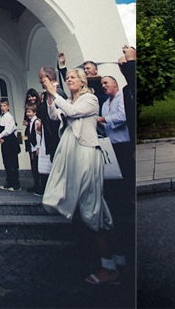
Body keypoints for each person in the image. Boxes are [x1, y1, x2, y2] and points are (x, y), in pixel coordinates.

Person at [42, 68, 121, 285]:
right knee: (98, 206)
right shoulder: (69, 100)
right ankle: (116, 257)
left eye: (73, 77)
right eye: (67, 78)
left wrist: (55, 94)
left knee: (91, 207)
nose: (69, 80)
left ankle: (109, 268)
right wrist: (51, 96)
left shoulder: (91, 99)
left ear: (83, 81)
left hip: (85, 153)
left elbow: (72, 113)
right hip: (73, 153)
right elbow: (53, 115)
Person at [98, 74, 132, 195]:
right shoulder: (105, 103)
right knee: (115, 176)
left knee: (126, 173)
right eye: (102, 84)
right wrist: (98, 124)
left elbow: (123, 116)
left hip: (123, 143)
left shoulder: (122, 97)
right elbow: (105, 126)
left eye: (106, 83)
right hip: (110, 144)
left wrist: (102, 119)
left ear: (115, 84)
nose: (103, 86)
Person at [36, 66, 65, 160]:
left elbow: (59, 118)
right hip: (51, 139)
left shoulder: (58, 93)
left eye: (40, 78)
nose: (39, 81)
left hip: (57, 139)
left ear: (47, 77)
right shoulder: (46, 94)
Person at [0, 99, 20, 191]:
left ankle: (16, 184)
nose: (2, 108)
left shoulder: (9, 117)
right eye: (1, 106)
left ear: (8, 107)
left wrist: (0, 136)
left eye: (4, 106)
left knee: (12, 163)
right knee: (6, 162)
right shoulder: (1, 117)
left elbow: (8, 130)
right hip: (4, 141)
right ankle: (9, 182)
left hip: (10, 142)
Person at [23, 101, 43, 195]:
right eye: (27, 112)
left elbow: (38, 136)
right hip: (32, 148)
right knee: (34, 167)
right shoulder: (30, 123)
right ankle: (36, 185)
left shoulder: (36, 122)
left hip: (37, 148)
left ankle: (40, 186)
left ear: (34, 112)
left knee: (38, 167)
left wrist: (38, 148)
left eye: (30, 112)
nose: (28, 114)